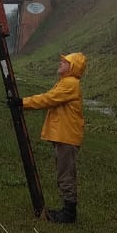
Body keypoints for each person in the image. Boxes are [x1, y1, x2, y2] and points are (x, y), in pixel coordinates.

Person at [20, 52, 88, 223]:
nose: (61, 63)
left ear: (72, 67)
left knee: (65, 174)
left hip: (67, 137)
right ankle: (67, 210)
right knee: (63, 172)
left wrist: (22, 103)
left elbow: (48, 99)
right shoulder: (65, 82)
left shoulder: (70, 84)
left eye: (65, 62)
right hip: (65, 136)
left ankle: (68, 214)